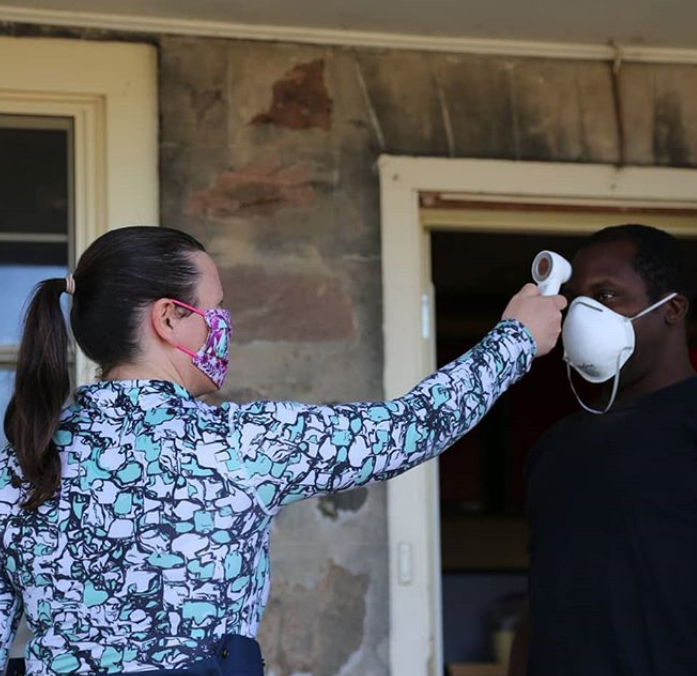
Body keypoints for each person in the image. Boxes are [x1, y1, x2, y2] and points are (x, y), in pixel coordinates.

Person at [0, 226, 565, 676]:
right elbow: (408, 428)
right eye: (215, 307)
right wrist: (514, 338)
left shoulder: (19, 463)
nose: (225, 324)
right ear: (170, 317)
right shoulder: (242, 443)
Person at [508, 224, 697, 676]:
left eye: (608, 295)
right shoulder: (554, 447)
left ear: (671, 309)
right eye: (577, 298)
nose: (583, 315)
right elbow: (540, 609)